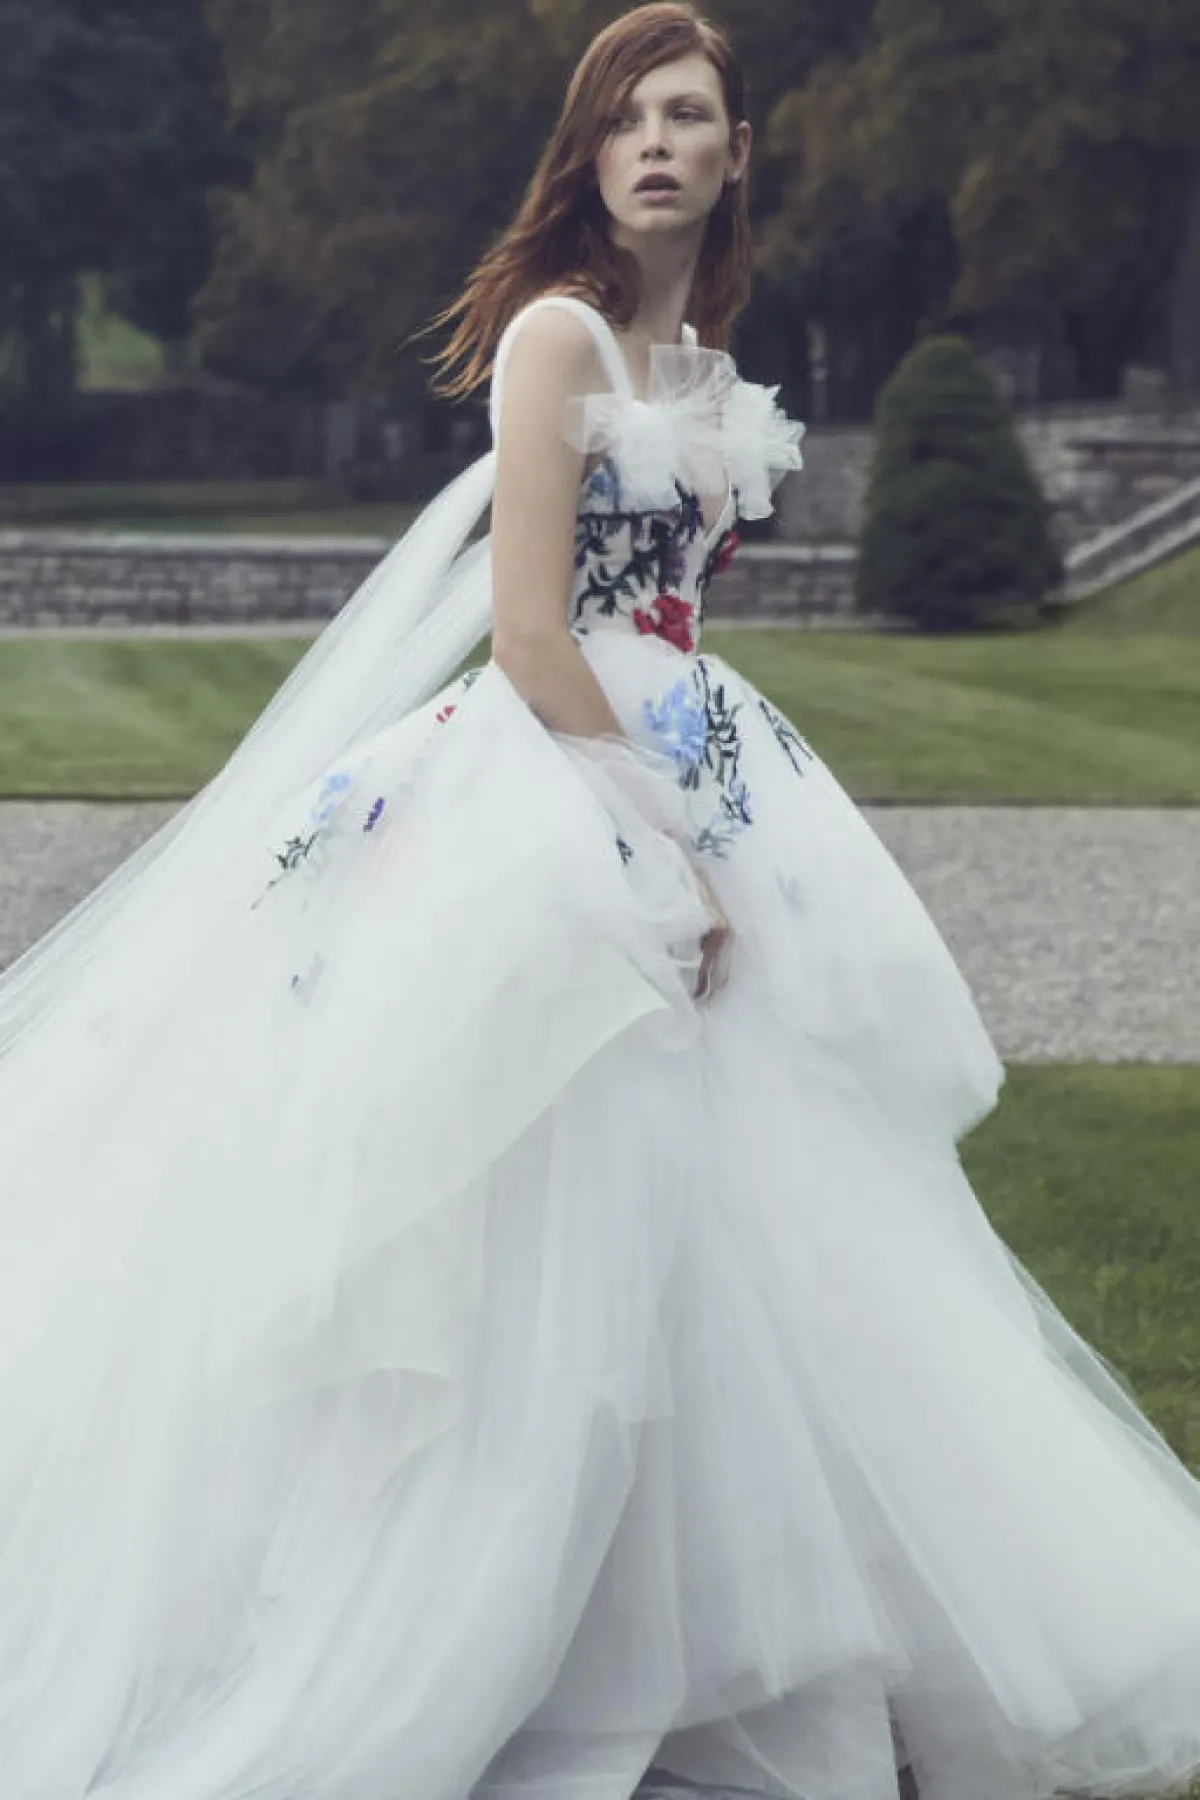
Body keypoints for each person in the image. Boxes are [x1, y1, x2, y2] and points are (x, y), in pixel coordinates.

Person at [1, 5, 1200, 1798]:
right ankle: (503, 1639)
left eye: (689, 115)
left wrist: (715, 820)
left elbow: (679, 612)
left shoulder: (708, 366)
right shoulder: (554, 334)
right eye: (627, 116)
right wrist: (658, 842)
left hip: (707, 756)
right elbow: (529, 627)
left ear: (733, 154)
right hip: (562, 779)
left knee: (749, 1200)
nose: (656, 143)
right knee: (554, 1184)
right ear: (588, 149)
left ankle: (714, 1649)